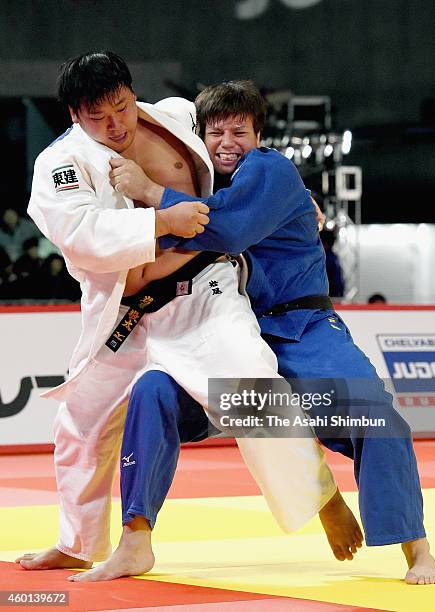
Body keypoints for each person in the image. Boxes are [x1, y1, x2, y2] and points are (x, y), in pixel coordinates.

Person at [94, 80, 435, 585]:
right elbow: (158, 239)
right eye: (216, 132)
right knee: (153, 392)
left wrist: (149, 193)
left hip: (303, 330)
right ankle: (135, 538)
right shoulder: (202, 185)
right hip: (234, 339)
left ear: (259, 135)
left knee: (377, 416)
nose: (228, 142)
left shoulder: (270, 169)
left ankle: (418, 551)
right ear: (200, 137)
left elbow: (227, 230)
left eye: (240, 130)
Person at [17, 54, 340, 575]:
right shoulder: (62, 165)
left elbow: (238, 154)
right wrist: (160, 218)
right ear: (75, 115)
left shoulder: (175, 117)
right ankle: (79, 541)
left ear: (130, 92)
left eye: (121, 107)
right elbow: (82, 240)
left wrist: (291, 196)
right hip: (127, 316)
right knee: (81, 424)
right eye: (99, 118)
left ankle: (320, 499)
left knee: (251, 383)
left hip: (202, 295)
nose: (115, 125)